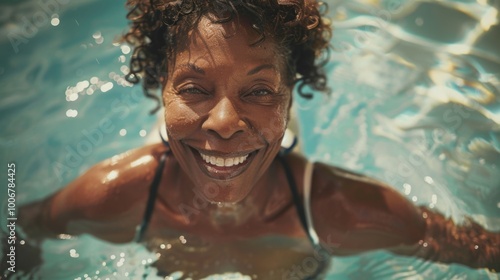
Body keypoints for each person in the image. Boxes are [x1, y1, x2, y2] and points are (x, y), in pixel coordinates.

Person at [18, 0, 499, 279]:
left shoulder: (342, 210)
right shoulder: (115, 194)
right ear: (159, 88)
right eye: (191, 87)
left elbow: (474, 248)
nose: (224, 121)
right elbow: (20, 232)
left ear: (292, 98)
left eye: (261, 89)